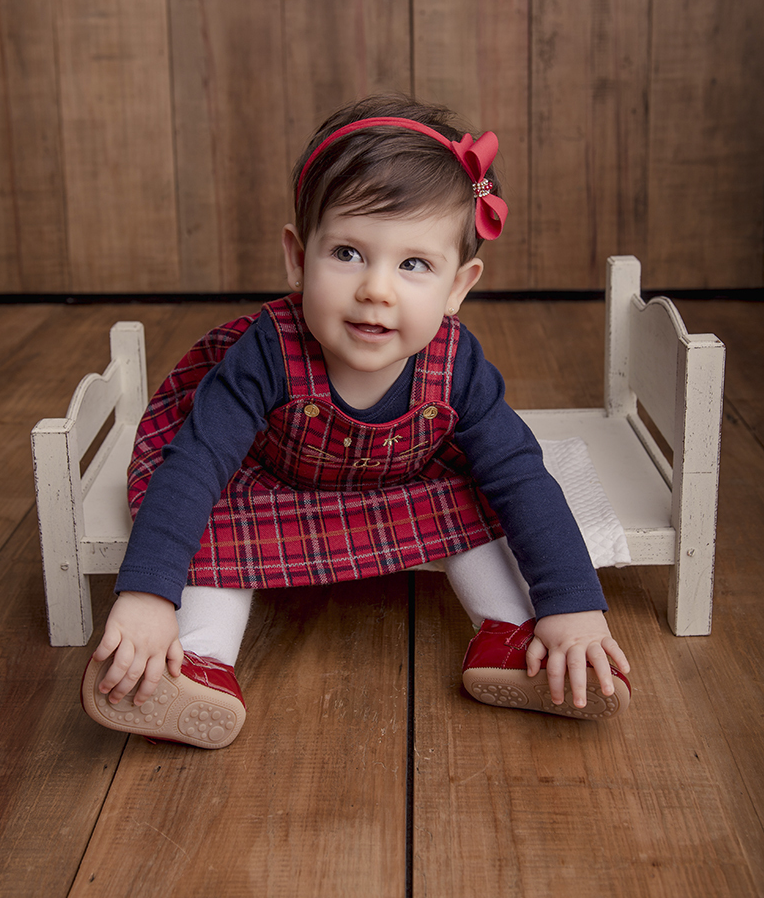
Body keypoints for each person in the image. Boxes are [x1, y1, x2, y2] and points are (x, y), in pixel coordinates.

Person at [81, 95, 631, 748]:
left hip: (402, 483)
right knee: (210, 525)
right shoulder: (267, 349)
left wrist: (572, 603)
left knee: (483, 496)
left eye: (414, 264)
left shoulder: (458, 367)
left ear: (459, 285)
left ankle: (513, 636)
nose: (376, 288)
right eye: (347, 253)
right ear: (297, 257)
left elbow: (524, 480)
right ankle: (196, 664)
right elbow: (196, 463)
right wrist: (146, 595)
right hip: (269, 484)